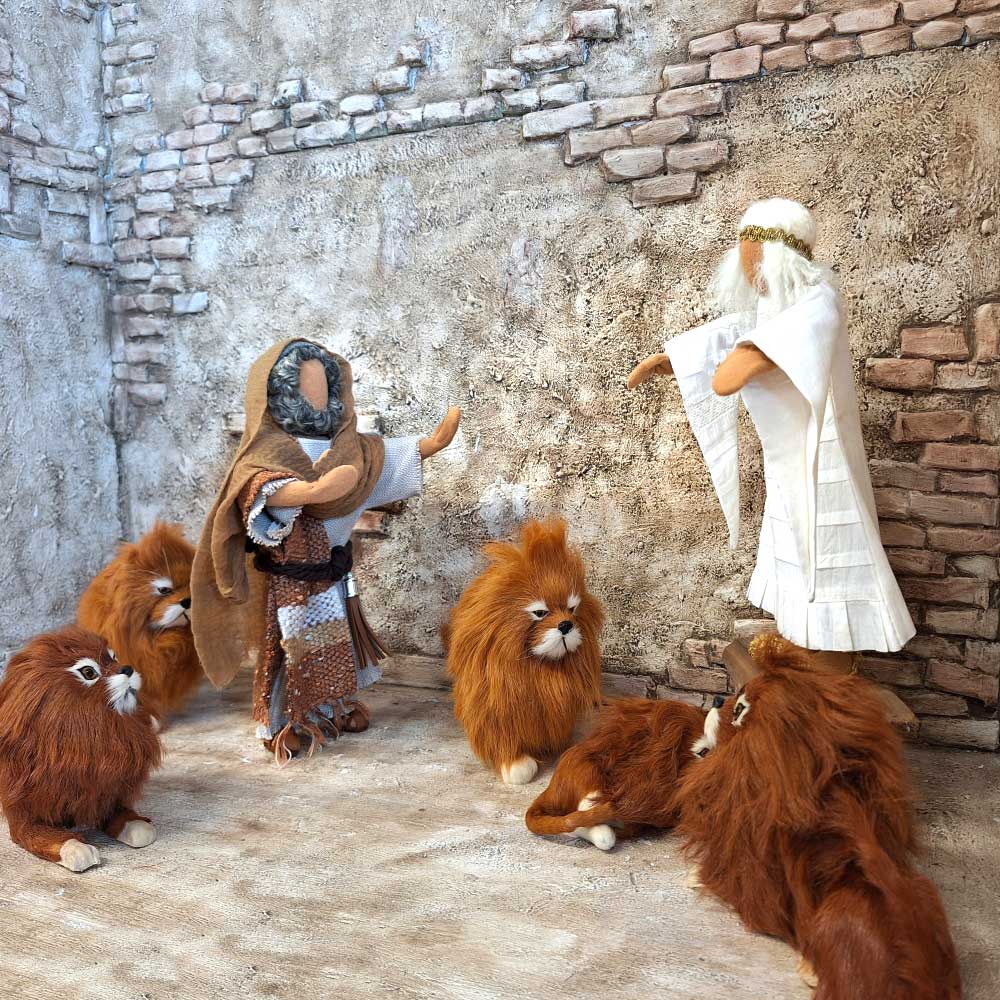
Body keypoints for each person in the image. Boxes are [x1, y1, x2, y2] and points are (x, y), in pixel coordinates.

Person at [192, 339, 460, 761]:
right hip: (291, 586)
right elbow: (259, 491)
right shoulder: (265, 452)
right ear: (280, 392)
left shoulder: (351, 450)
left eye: (324, 386)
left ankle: (333, 706)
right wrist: (312, 492)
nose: (317, 397)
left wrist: (432, 444)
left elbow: (379, 463)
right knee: (291, 650)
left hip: (332, 576)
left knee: (336, 647)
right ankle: (280, 722)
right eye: (306, 386)